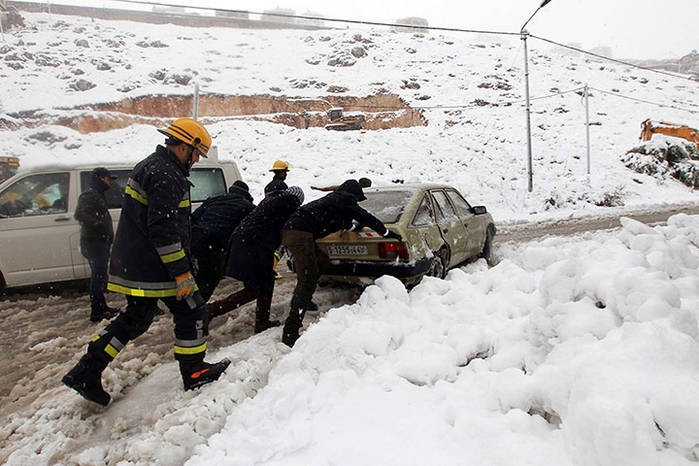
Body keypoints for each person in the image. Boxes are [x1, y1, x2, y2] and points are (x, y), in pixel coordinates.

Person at [62, 118, 230, 406]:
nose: (196, 160)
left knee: (137, 317)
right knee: (192, 309)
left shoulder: (152, 165)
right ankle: (194, 371)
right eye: (197, 154)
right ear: (185, 148)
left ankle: (87, 369)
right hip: (154, 265)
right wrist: (181, 272)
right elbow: (163, 228)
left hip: (135, 262)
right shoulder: (167, 175)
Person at [280, 179, 402, 347]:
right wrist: (386, 232)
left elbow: (339, 221)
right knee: (308, 278)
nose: (357, 203)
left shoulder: (333, 201)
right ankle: (290, 331)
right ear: (354, 195)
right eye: (357, 199)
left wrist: (353, 227)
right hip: (300, 234)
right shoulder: (344, 199)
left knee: (322, 262)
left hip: (293, 230)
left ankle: (304, 298)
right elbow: (365, 216)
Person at [207, 186, 305, 334]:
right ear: (297, 199)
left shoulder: (272, 200)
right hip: (254, 245)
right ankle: (212, 309)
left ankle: (262, 322)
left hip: (244, 240)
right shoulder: (289, 203)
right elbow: (289, 227)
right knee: (256, 289)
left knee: (265, 283)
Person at [190, 180, 255, 303]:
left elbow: (193, 217)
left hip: (195, 236)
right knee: (210, 279)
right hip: (213, 241)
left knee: (200, 276)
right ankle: (196, 311)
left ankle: (190, 304)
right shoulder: (247, 206)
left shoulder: (214, 199)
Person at [74, 167, 121, 322]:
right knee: (98, 277)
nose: (110, 183)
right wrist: (100, 226)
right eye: (108, 179)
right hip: (94, 242)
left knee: (99, 276)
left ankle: (102, 307)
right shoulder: (90, 194)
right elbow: (80, 214)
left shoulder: (96, 194)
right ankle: (97, 312)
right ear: (101, 179)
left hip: (98, 241)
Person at [265, 159, 292, 278]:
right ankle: (271, 268)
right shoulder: (283, 186)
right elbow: (285, 204)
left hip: (269, 219)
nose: (286, 174)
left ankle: (268, 267)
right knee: (281, 245)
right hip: (281, 219)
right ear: (280, 172)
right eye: (285, 172)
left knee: (273, 244)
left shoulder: (268, 187)